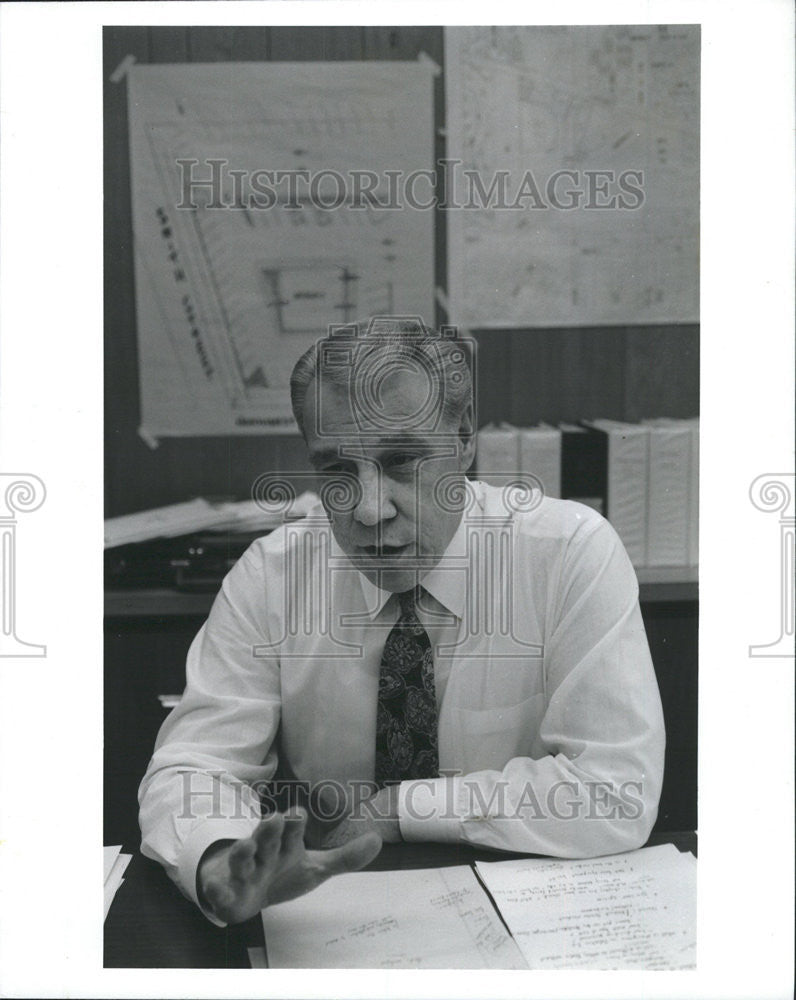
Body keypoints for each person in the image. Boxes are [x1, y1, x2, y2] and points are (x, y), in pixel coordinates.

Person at [139, 316, 665, 926]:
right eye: (336, 469)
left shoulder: (568, 552)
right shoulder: (272, 575)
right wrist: (220, 859)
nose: (368, 510)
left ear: (464, 440)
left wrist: (396, 811)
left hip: (530, 919)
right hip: (338, 923)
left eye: (402, 461)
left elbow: (613, 791)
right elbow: (193, 767)